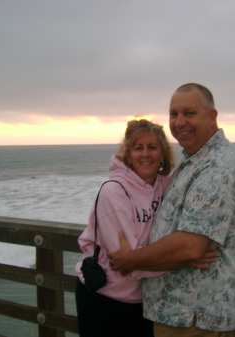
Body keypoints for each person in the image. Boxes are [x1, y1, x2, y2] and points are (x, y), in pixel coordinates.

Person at [108, 83, 235, 337]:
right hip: (180, 314)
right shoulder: (194, 160)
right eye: (174, 114)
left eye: (189, 113)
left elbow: (190, 247)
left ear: (212, 117)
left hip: (199, 316)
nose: (179, 122)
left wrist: (130, 260)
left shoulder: (219, 167)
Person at [74, 119, 175, 337]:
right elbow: (130, 264)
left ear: (163, 153)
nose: (145, 154)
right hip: (104, 299)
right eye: (138, 148)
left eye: (152, 147)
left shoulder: (165, 184)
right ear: (128, 154)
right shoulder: (114, 192)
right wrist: (185, 258)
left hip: (143, 301)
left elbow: (138, 259)